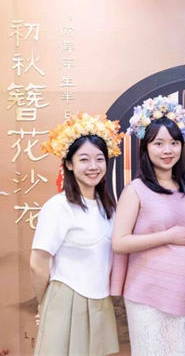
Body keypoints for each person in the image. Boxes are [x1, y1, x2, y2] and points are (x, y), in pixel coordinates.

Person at [110, 96, 185, 355]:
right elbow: (119, 242)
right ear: (145, 148)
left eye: (174, 143)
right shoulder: (136, 190)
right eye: (159, 143)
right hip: (149, 295)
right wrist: (167, 236)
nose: (168, 150)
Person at [30, 113, 122, 356]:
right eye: (84, 159)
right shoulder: (58, 207)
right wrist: (43, 303)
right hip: (66, 301)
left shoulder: (109, 208)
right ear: (69, 164)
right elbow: (38, 263)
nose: (93, 166)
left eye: (99, 159)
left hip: (101, 301)